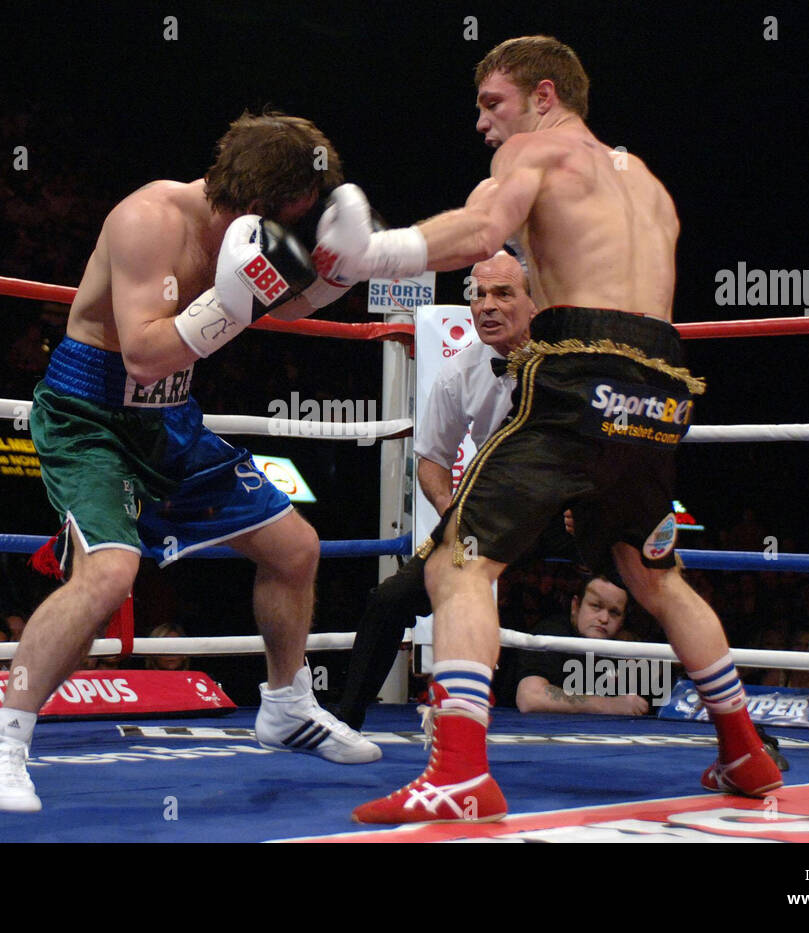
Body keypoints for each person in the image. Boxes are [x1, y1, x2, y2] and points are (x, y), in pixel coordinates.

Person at [314, 35, 782, 823]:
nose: (482, 124)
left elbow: (480, 227)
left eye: (492, 104)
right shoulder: (651, 185)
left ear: (541, 94)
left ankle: (460, 770)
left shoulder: (537, 151)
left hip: (579, 368)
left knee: (458, 562)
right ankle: (745, 751)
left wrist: (375, 253)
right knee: (653, 575)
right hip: (661, 384)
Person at [0, 112, 379, 813]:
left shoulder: (261, 230)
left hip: (171, 420)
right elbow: (145, 351)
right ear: (256, 199)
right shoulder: (148, 221)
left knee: (294, 548)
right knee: (111, 573)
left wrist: (337, 275)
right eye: (297, 214)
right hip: (91, 418)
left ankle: (285, 705)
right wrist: (229, 305)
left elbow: (291, 307)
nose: (302, 225)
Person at [334, 251, 576, 729]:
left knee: (654, 576)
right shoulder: (460, 371)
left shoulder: (574, 359)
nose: (486, 305)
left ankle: (731, 729)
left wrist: (591, 503)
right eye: (478, 295)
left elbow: (613, 439)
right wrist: (452, 512)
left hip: (575, 501)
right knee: (391, 599)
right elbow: (431, 459)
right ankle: (346, 720)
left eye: (503, 293)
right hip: (501, 507)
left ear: (535, 303)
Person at [512, 574, 649, 714]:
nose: (604, 618)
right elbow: (530, 697)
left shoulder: (624, 648)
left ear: (622, 621)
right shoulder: (552, 634)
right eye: (596, 606)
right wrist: (608, 705)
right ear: (575, 606)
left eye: (614, 612)